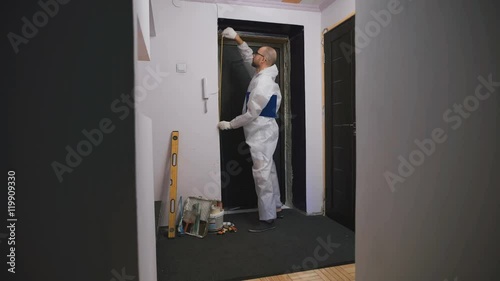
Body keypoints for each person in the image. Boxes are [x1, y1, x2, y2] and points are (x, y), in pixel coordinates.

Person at [218, 27, 284, 233]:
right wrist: (237, 39)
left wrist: (229, 124)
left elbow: (251, 113)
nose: (253, 55)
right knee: (268, 169)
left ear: (263, 59)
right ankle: (277, 206)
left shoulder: (263, 83)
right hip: (262, 131)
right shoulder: (261, 73)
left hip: (261, 132)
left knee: (262, 175)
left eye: (257, 54)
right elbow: (249, 57)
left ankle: (267, 219)